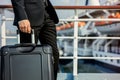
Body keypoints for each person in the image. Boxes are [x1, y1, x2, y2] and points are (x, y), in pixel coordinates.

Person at [11, 0, 59, 80]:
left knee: (53, 54)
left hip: (48, 15)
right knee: (27, 57)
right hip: (29, 18)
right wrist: (22, 17)